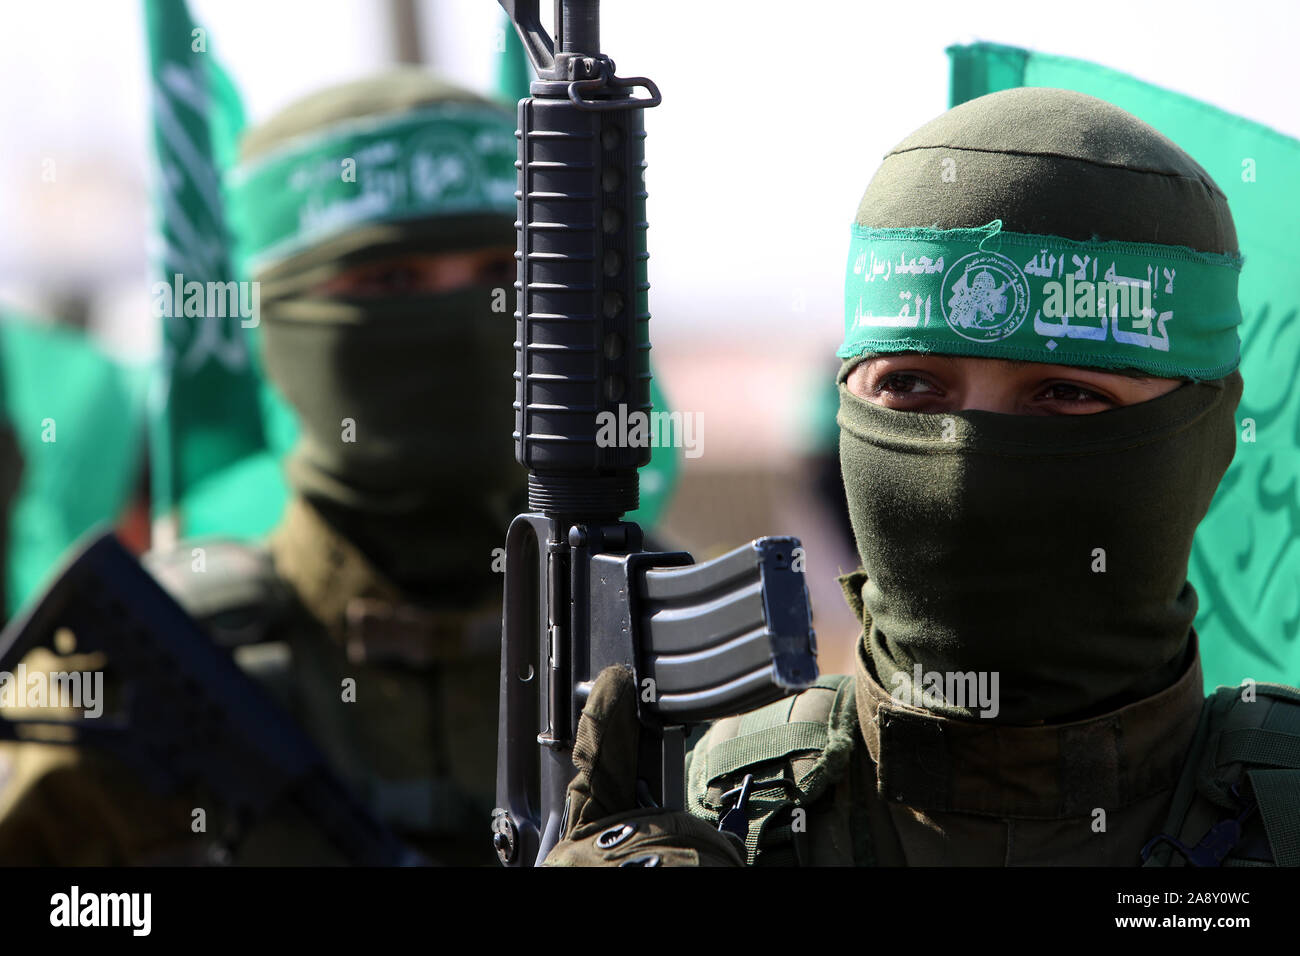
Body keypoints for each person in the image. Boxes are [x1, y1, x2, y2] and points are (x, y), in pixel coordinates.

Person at [542, 86, 1300, 867]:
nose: (964, 458)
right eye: (910, 386)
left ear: (1205, 439)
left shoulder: (1283, 814)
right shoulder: (707, 811)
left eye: (1067, 394)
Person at [0, 68, 521, 865]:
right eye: (390, 280)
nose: (461, 322)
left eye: (501, 276)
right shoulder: (136, 681)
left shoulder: (655, 648)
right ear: (281, 317)